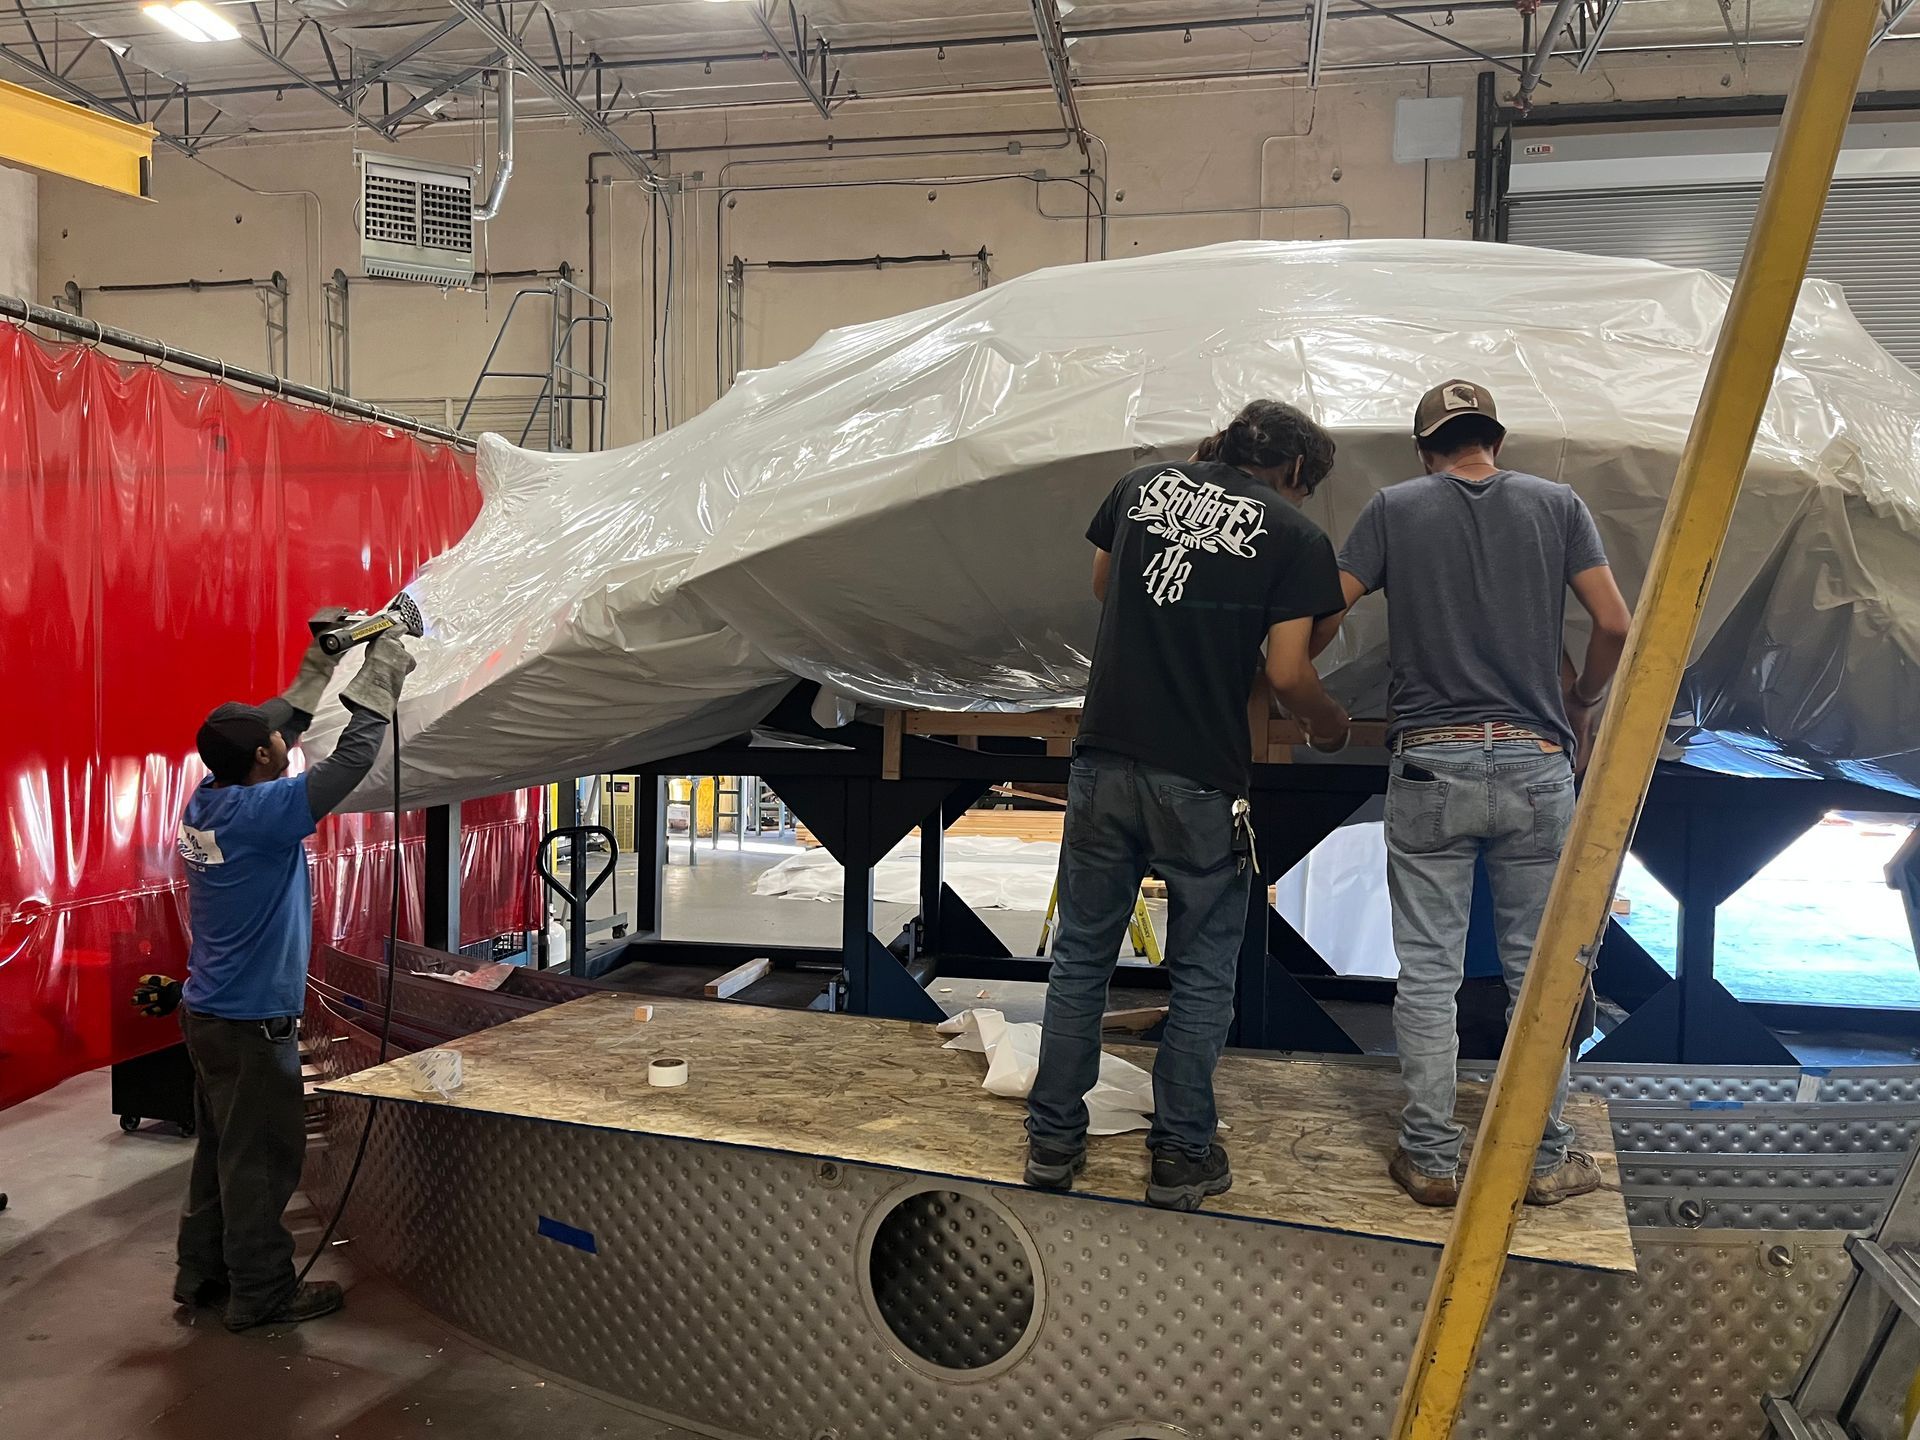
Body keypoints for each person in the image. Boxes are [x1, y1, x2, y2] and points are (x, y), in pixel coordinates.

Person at [1025, 399, 1353, 1211]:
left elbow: (1107, 584)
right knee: (1204, 971)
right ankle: (1180, 1155)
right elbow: (1285, 672)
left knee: (1082, 960)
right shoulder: (1295, 535)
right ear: (1298, 471)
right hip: (1202, 774)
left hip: (1104, 758)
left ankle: (1054, 1143)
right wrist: (1329, 724)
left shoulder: (1143, 487)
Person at [1329, 379, 1632, 1208]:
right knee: (1541, 971)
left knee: (1428, 973)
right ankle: (1542, 1160)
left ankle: (1429, 1158)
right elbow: (1613, 624)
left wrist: (1295, 683)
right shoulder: (1557, 505)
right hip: (1537, 762)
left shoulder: (1394, 508)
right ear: (1492, 439)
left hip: (1430, 761)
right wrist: (1582, 700)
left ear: (1426, 447)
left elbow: (1324, 609)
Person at [158, 624, 415, 1330]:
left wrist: (320, 663)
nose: (284, 739)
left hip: (207, 1014)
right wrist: (383, 666)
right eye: (275, 741)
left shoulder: (210, 801)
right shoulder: (265, 813)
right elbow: (354, 755)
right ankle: (262, 1295)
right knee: (260, 1165)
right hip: (247, 1027)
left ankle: (202, 1276)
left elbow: (274, 730)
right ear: (268, 757)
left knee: (221, 1155)